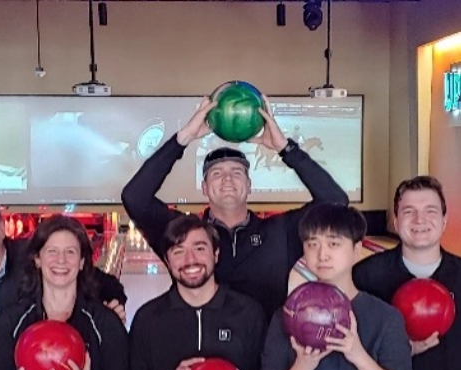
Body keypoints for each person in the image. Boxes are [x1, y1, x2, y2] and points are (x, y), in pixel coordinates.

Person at [122, 96, 348, 323]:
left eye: (237, 173)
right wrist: (183, 139)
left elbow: (336, 201)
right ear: (204, 188)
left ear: (249, 186)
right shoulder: (183, 234)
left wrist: (285, 148)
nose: (227, 180)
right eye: (217, 174)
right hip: (197, 351)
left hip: (263, 354)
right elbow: (135, 198)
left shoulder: (281, 233)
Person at [262, 203, 413, 370]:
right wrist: (303, 366)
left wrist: (357, 354)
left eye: (333, 244)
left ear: (356, 249)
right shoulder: (285, 317)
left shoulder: (384, 317)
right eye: (312, 244)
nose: (322, 254)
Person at [0, 197, 127, 370]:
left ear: (81, 262)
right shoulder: (13, 321)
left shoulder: (103, 322)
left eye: (71, 252)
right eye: (52, 252)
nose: (61, 261)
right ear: (38, 260)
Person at [126, 214, 267, 370]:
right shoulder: (148, 319)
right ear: (167, 260)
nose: (190, 260)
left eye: (199, 248)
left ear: (216, 253)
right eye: (178, 251)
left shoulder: (248, 313)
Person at [353, 176, 461, 370]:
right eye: (409, 211)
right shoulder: (364, 277)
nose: (419, 219)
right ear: (395, 218)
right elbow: (349, 353)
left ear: (444, 218)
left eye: (430, 210)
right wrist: (398, 352)